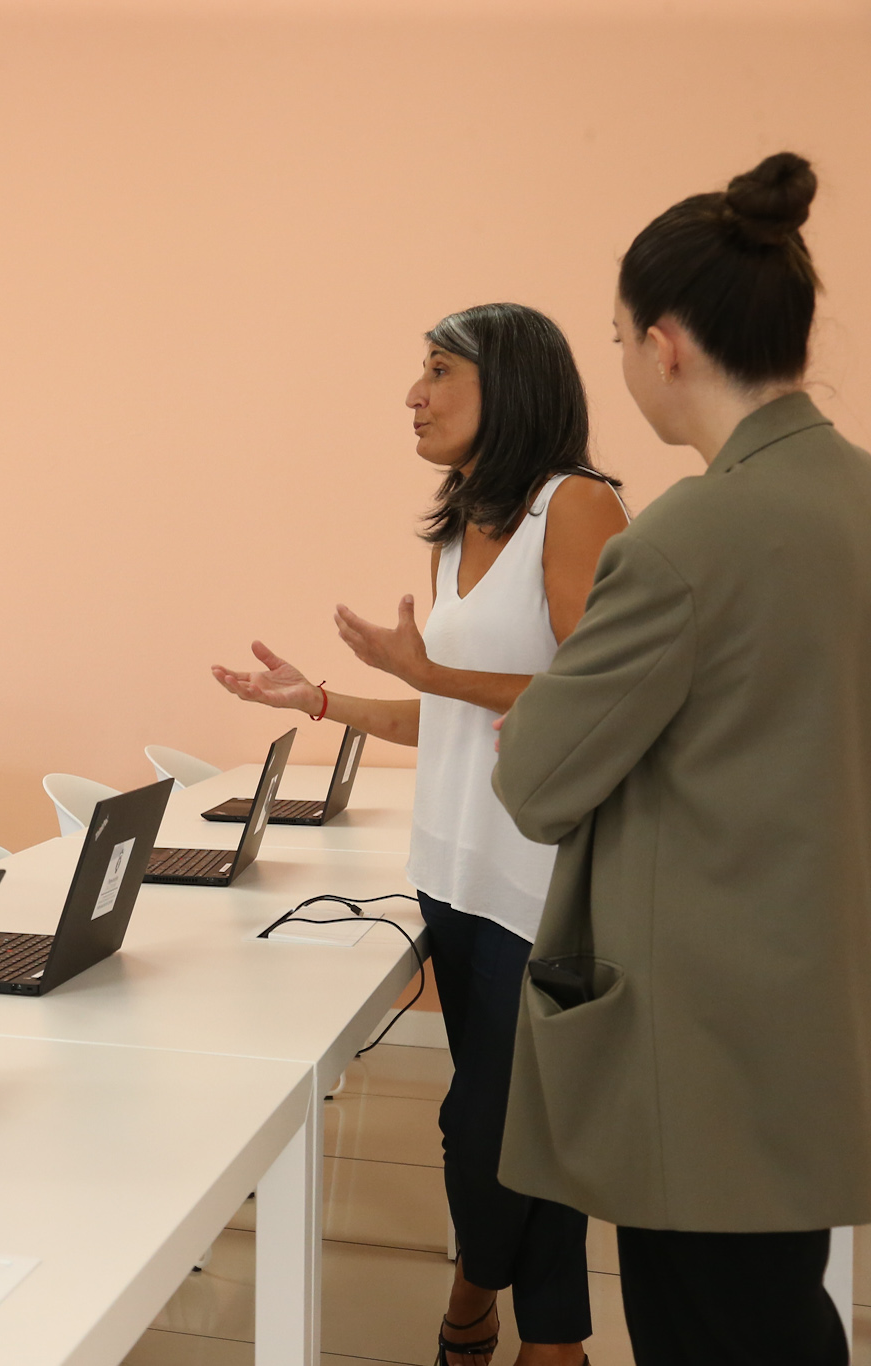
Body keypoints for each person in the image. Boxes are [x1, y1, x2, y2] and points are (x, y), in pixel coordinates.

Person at [494, 153, 868, 1365]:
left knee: (713, 1326)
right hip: (820, 1003)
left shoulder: (684, 538)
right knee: (777, 1306)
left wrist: (546, 720)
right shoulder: (854, 498)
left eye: (615, 338)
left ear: (661, 346)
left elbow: (535, 780)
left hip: (700, 1039)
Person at [212, 303, 628, 1366]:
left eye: (439, 371)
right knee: (515, 1120)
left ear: (510, 385)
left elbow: (595, 701)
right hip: (451, 870)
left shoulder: (575, 506)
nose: (413, 395)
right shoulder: (457, 527)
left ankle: (475, 1302)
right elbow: (446, 714)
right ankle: (549, 1342)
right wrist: (320, 700)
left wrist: (428, 671)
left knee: (488, 1127)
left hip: (541, 882)